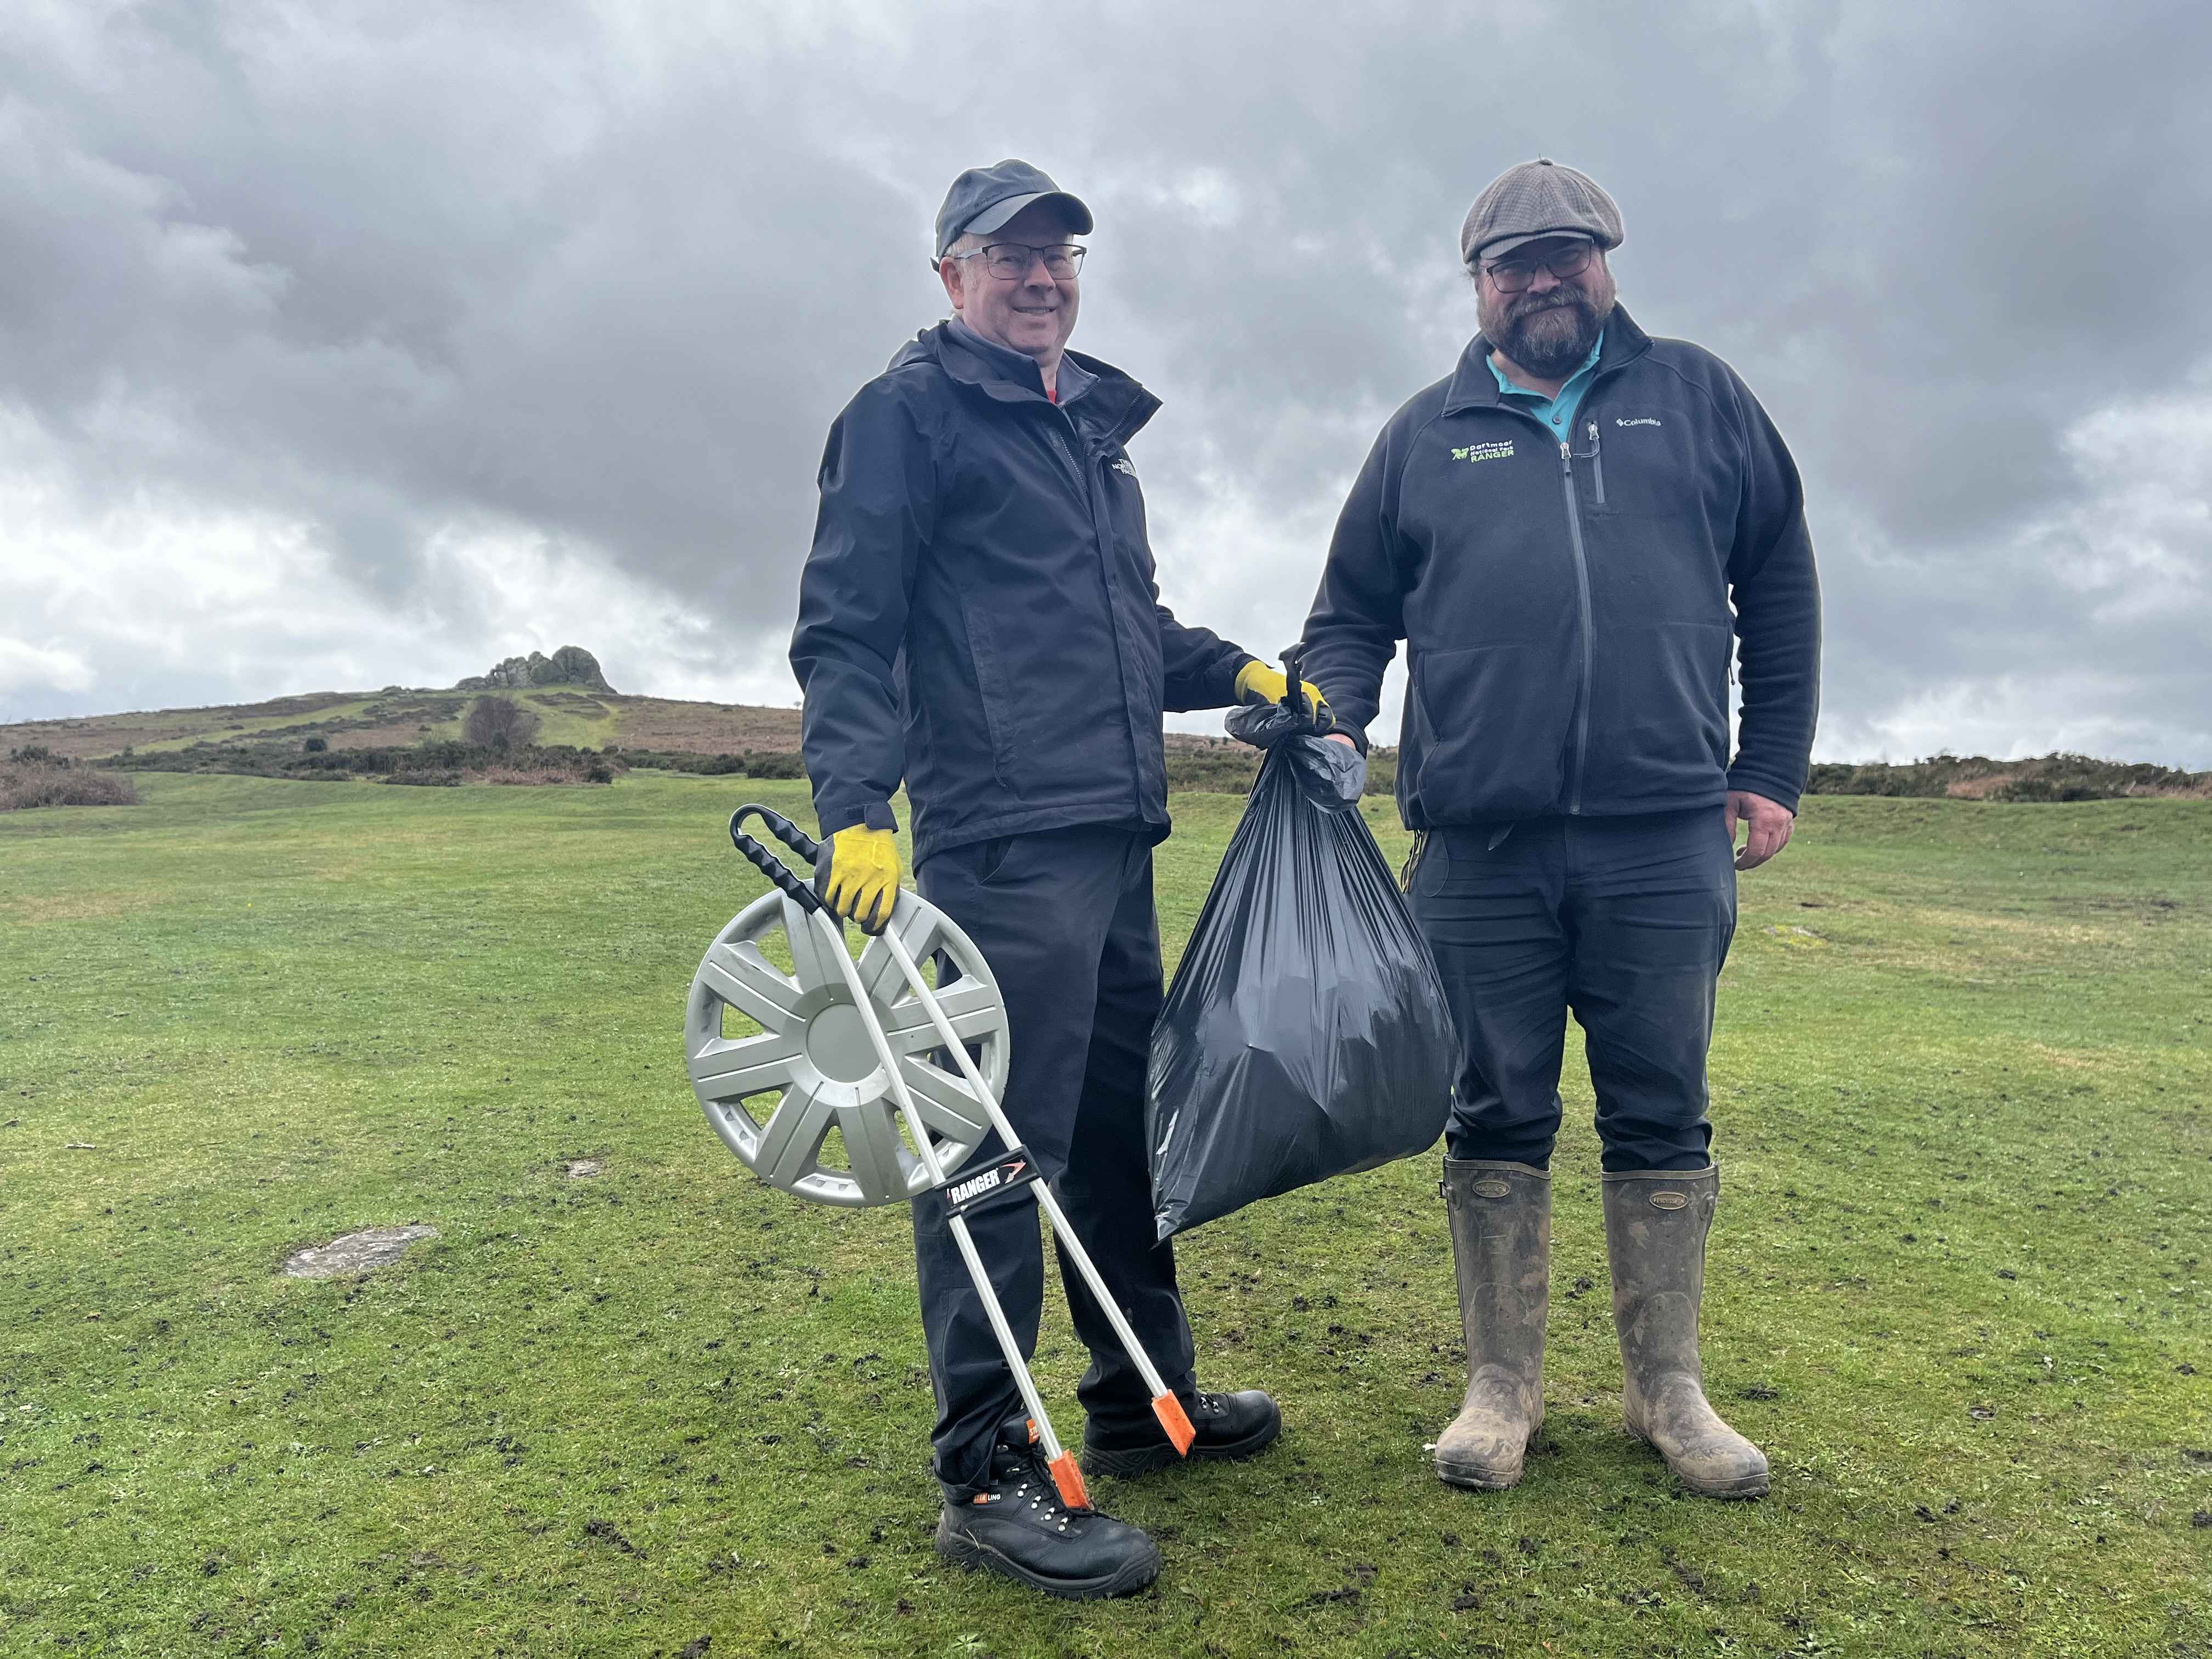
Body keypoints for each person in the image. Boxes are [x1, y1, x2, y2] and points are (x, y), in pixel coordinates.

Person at [791, 159, 1313, 1599]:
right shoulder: (905, 420)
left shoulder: (1089, 434)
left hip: (1111, 838)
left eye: (1062, 253)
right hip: (1003, 845)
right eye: (1008, 255)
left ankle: (1143, 1404)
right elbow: (848, 625)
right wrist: (857, 807)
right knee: (989, 1156)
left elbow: (1127, 628)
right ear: (949, 274)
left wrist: (1248, 672)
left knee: (1114, 1138)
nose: (1042, 275)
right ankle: (986, 1468)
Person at [1301, 159, 1820, 1501]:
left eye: (1564, 255)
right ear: (1478, 286)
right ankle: (1502, 1388)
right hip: (1479, 848)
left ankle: (1670, 1392)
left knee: (1664, 1108)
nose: (1540, 279)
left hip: (1664, 837)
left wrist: (1768, 768)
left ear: (1607, 262)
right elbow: (1352, 612)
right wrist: (1339, 722)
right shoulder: (1427, 431)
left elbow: (1780, 584)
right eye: (1511, 263)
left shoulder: (1701, 397)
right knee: (1493, 1108)